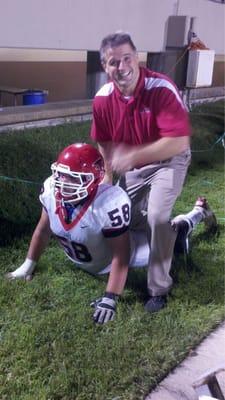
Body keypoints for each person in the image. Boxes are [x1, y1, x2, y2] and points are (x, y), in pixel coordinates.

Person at [6, 143, 217, 324]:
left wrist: (110, 296)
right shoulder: (52, 190)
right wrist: (28, 266)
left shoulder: (108, 203)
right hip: (95, 254)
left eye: (73, 178)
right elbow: (43, 230)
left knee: (169, 236)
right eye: (62, 175)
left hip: (128, 253)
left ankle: (196, 214)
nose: (63, 183)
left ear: (93, 180)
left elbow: (121, 255)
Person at [90, 31, 192, 313]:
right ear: (105, 67)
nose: (121, 67)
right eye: (113, 62)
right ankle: (178, 233)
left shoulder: (161, 88)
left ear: (137, 58)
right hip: (134, 167)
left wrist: (135, 155)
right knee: (123, 217)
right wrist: (108, 177)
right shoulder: (102, 99)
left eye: (127, 58)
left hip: (169, 160)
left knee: (157, 217)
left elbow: (179, 141)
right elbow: (104, 140)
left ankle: (159, 289)